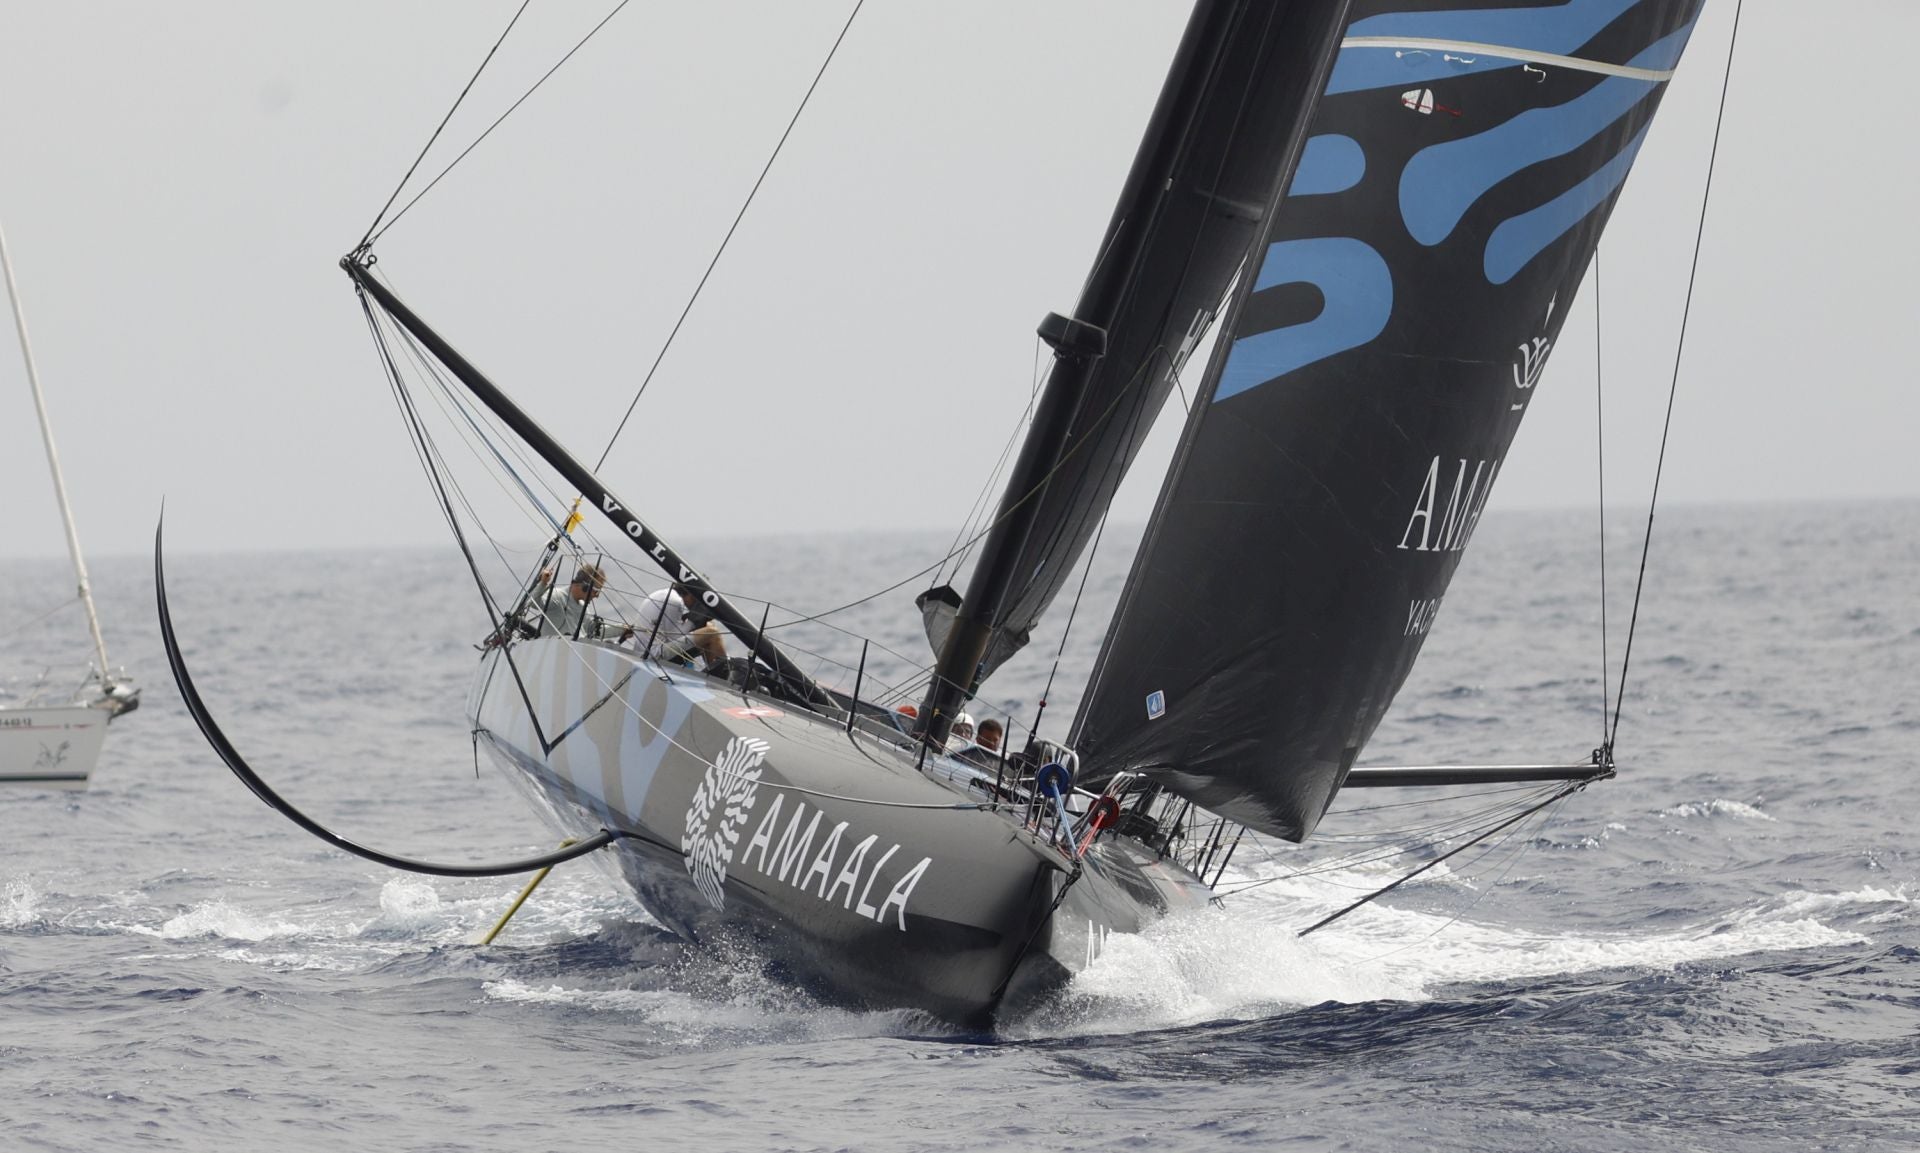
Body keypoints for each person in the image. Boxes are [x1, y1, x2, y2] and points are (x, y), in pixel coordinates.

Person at [624, 581, 727, 667]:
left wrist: (695, 621)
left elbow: (668, 633)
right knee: (712, 632)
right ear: (692, 594)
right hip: (654, 656)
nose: (696, 604)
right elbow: (673, 637)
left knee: (706, 629)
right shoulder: (675, 601)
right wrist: (694, 621)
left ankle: (715, 673)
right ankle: (723, 678)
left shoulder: (664, 594)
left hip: (643, 652)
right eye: (698, 600)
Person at [535, 563, 605, 639]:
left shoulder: (583, 608)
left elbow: (595, 631)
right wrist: (543, 583)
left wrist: (619, 629)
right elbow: (533, 603)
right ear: (585, 586)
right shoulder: (557, 596)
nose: (597, 596)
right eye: (596, 591)